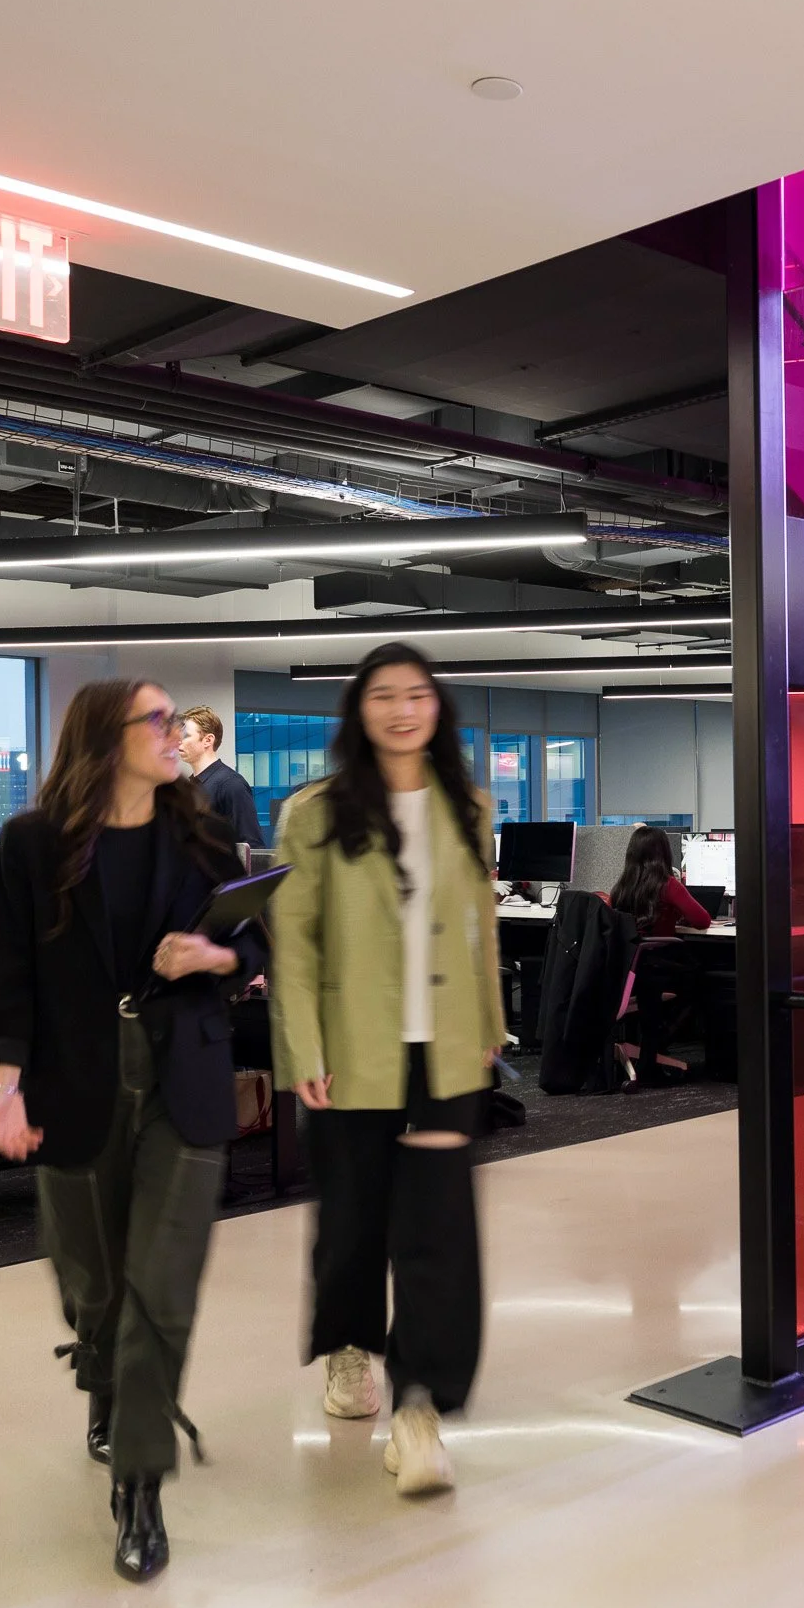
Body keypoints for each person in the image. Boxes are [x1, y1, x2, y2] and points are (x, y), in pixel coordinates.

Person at [0, 678, 266, 1582]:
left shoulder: (202, 834)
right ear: (106, 738)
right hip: (75, 1080)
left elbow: (253, 940)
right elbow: (9, 975)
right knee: (95, 1284)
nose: (178, 732)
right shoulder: (32, 843)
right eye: (158, 719)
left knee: (161, 1286)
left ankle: (139, 1484)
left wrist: (214, 954)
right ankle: (103, 1374)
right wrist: (3, 1084)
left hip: (183, 1076)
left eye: (177, 719)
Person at [269, 641, 505, 1500]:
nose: (402, 710)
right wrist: (303, 1049)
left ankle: (418, 1408)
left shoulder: (467, 805)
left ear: (437, 707)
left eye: (417, 694)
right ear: (359, 710)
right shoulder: (314, 813)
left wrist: (489, 1026)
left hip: (444, 1047)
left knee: (439, 1228)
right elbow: (293, 944)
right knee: (354, 1222)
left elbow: (477, 923)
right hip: (352, 1047)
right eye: (383, 696)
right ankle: (348, 1347)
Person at [607, 825, 711, 1081]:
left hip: (628, 970)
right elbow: (703, 920)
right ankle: (661, 1041)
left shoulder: (620, 888)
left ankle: (653, 1046)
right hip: (658, 969)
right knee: (705, 980)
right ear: (664, 853)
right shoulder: (668, 885)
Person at [177, 706, 264, 854]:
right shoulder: (190, 786)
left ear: (208, 740)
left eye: (185, 735)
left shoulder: (231, 784)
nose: (178, 741)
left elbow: (252, 846)